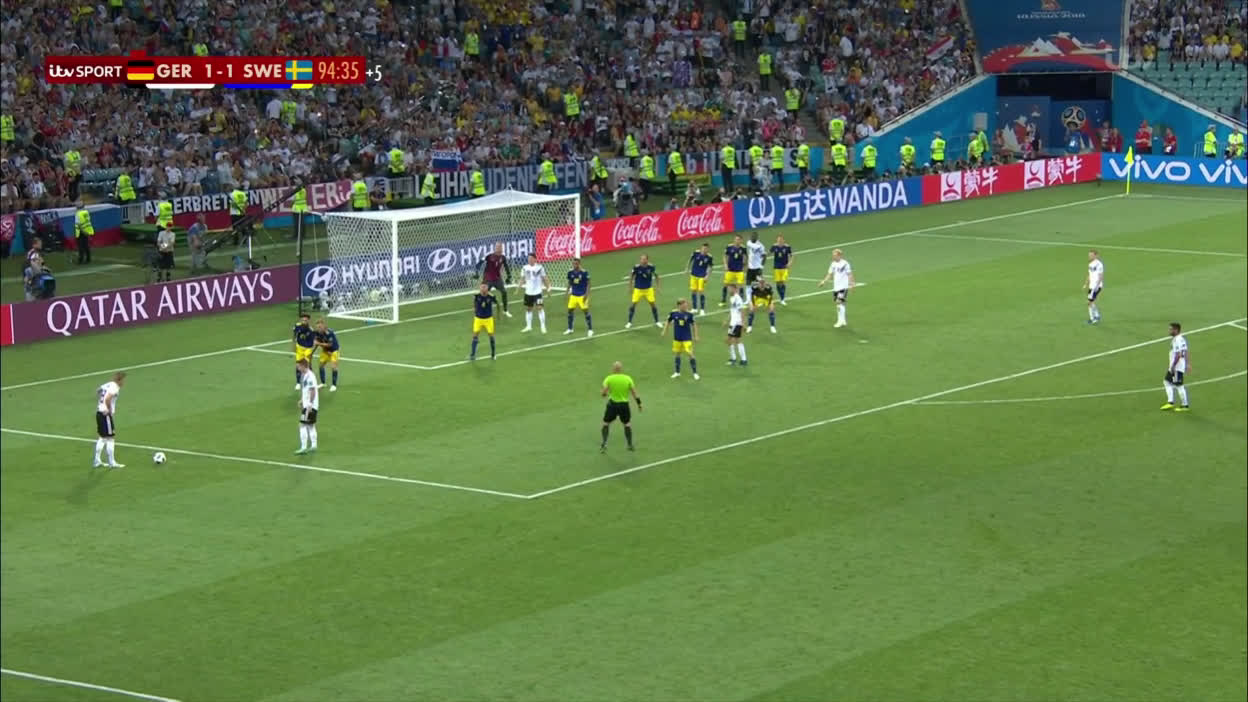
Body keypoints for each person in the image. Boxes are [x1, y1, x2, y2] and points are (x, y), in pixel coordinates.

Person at [600, 361, 642, 452]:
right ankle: (630, 445)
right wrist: (639, 404)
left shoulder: (609, 378)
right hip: (624, 405)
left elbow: (603, 393)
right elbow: (634, 393)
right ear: (621, 369)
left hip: (612, 405)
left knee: (606, 423)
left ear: (613, 369)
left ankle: (604, 444)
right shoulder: (628, 378)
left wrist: (605, 394)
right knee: (627, 424)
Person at [93, 372, 126, 469]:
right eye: (123, 380)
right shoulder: (115, 387)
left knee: (102, 437)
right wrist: (109, 409)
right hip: (105, 415)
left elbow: (98, 390)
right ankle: (112, 462)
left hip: (99, 413)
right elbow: (107, 399)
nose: (124, 382)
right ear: (119, 380)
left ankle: (97, 461)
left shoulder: (109, 384)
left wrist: (100, 403)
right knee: (110, 438)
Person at [662, 298, 700, 380]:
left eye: (686, 305)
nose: (686, 307)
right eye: (684, 305)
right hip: (677, 338)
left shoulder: (689, 314)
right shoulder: (673, 313)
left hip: (687, 338)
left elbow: (694, 325)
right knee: (677, 354)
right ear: (679, 305)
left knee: (690, 354)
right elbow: (668, 321)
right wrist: (664, 331)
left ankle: (695, 373)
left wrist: (696, 336)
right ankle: (677, 372)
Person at [817, 248, 855, 328]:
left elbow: (850, 274)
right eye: (833, 255)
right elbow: (829, 274)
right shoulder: (833, 264)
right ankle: (843, 321)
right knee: (842, 303)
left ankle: (840, 321)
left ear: (839, 255)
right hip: (836, 287)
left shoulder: (845, 264)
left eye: (834, 255)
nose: (833, 257)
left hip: (843, 287)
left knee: (838, 302)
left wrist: (851, 284)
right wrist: (823, 282)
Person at [475, 242, 513, 317]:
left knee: (504, 292)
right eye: (497, 247)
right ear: (495, 248)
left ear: (502, 248)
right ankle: (479, 310)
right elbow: (479, 264)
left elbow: (506, 266)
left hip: (497, 279)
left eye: (500, 247)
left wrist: (509, 276)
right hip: (488, 279)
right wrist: (477, 273)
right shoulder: (489, 255)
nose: (499, 248)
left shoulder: (503, 257)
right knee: (483, 294)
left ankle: (505, 310)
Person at [626, 254, 662, 329]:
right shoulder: (636, 267)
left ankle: (657, 321)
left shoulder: (651, 267)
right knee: (633, 304)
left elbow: (657, 276)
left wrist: (658, 287)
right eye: (641, 259)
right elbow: (631, 277)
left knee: (653, 304)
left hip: (648, 289)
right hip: (638, 289)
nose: (642, 261)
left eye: (644, 259)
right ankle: (629, 322)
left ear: (647, 260)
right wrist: (630, 287)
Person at [1161, 322, 1190, 412]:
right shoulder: (1182, 339)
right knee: (1167, 381)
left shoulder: (1177, 340)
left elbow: (1178, 354)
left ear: (1176, 330)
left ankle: (1185, 405)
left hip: (1176, 367)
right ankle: (1170, 402)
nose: (1169, 331)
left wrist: (1173, 366)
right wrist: (1187, 364)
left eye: (1171, 329)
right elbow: (1186, 351)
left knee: (1179, 385)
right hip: (1178, 366)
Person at [519, 253, 550, 333]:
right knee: (529, 309)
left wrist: (548, 288)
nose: (529, 260)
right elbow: (522, 278)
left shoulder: (539, 267)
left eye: (531, 258)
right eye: (528, 258)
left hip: (537, 292)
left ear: (535, 259)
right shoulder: (524, 268)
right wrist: (519, 287)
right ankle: (528, 326)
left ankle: (543, 326)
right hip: (528, 292)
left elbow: (544, 278)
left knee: (540, 308)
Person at [294, 358, 319, 455]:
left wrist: (310, 404)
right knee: (310, 425)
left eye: (299, 366)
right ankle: (314, 445)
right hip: (309, 404)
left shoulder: (310, 376)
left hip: (309, 406)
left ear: (303, 366)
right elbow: (306, 390)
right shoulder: (305, 375)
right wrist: (302, 400)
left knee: (302, 425)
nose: (298, 368)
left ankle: (303, 447)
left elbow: (313, 391)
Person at [469, 282, 500, 361]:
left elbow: (498, 304)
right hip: (478, 319)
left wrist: (498, 315)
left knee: (491, 336)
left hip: (488, 319)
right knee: (475, 336)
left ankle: (493, 354)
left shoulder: (491, 296)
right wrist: (475, 310)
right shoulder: (476, 296)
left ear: (487, 288)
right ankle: (472, 355)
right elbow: (474, 302)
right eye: (482, 287)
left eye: (485, 287)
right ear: (480, 288)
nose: (483, 289)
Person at [564, 258, 594, 337]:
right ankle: (570, 329)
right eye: (573, 264)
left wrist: (586, 294)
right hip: (573, 295)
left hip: (582, 296)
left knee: (586, 311)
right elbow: (569, 282)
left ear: (579, 264)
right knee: (570, 311)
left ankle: (590, 330)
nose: (574, 265)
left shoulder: (584, 273)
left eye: (576, 264)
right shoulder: (570, 272)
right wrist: (567, 292)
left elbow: (589, 284)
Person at [686, 242, 714, 315]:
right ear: (701, 248)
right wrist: (687, 268)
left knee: (701, 291)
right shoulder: (696, 253)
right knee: (693, 291)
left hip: (702, 276)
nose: (704, 250)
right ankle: (694, 308)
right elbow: (690, 260)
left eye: (706, 249)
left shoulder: (709, 257)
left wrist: (707, 276)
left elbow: (710, 267)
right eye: (703, 248)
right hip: (694, 275)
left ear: (708, 249)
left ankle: (702, 309)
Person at [725, 284, 749, 366]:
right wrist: (727, 320)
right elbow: (732, 310)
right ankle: (742, 360)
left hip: (736, 323)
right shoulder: (732, 298)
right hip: (733, 323)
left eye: (730, 289)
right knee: (736, 340)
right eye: (728, 289)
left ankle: (734, 359)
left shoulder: (737, 298)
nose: (729, 290)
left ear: (734, 289)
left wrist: (743, 324)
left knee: (730, 340)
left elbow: (742, 311)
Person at [314, 318, 340, 391]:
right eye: (317, 327)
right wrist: (311, 353)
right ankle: (323, 383)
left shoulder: (329, 333)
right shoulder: (317, 333)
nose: (319, 328)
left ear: (324, 325)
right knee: (321, 365)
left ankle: (334, 385)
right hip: (325, 351)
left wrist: (319, 343)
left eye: (320, 327)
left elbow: (330, 344)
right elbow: (316, 343)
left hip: (334, 351)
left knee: (334, 367)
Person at [721, 234, 746, 306]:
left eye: (739, 239)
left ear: (741, 240)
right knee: (726, 284)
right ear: (734, 240)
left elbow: (745, 257)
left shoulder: (743, 248)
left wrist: (744, 266)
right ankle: (723, 301)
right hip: (730, 270)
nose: (737, 241)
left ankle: (741, 301)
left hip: (739, 270)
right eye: (736, 239)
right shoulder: (729, 247)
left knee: (740, 285)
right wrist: (725, 265)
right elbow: (725, 256)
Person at [293, 313, 317, 389]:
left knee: (307, 365)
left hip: (308, 349)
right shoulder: (297, 326)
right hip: (299, 348)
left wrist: (311, 352)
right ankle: (298, 383)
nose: (304, 322)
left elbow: (314, 342)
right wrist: (293, 345)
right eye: (303, 320)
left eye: (305, 320)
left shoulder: (311, 330)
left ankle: (312, 381)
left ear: (308, 321)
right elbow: (294, 335)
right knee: (298, 365)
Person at [1083, 249, 1104, 325]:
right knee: (1091, 302)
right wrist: (1086, 284)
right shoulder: (1090, 264)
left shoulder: (1099, 264)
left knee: (1089, 302)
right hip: (1091, 286)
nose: (1090, 256)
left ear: (1096, 255)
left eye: (1091, 255)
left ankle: (1093, 319)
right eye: (1089, 255)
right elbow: (1089, 275)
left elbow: (1101, 276)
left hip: (1096, 286)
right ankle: (1097, 315)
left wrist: (1097, 286)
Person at [771, 235, 793, 305]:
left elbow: (792, 256)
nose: (779, 241)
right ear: (777, 240)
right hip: (776, 267)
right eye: (778, 240)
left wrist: (790, 263)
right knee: (778, 283)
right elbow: (769, 253)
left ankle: (782, 299)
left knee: (783, 282)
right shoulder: (774, 246)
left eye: (781, 240)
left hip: (784, 267)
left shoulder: (787, 247)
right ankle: (781, 296)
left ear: (783, 240)